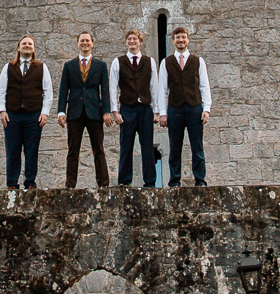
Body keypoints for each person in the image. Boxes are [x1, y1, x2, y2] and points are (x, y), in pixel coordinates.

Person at [154, 26, 212, 186]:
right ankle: (174, 181)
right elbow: (162, 90)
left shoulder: (198, 61)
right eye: (177, 37)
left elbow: (204, 86)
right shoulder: (166, 62)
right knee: (174, 148)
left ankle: (200, 180)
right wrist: (162, 113)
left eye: (183, 37)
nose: (180, 40)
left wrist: (206, 109)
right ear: (173, 41)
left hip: (194, 108)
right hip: (175, 109)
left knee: (197, 147)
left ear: (188, 40)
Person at [56, 30, 114, 188]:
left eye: (87, 41)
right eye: (82, 41)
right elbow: (63, 90)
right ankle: (70, 184)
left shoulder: (100, 65)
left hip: (94, 111)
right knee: (73, 150)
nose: (85, 43)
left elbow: (105, 90)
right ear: (77, 44)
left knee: (98, 149)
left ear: (92, 43)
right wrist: (61, 111)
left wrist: (106, 111)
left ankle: (103, 184)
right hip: (74, 112)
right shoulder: (69, 66)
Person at [0, 35, 52, 189]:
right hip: (12, 115)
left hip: (33, 115)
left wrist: (45, 113)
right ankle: (12, 183)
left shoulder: (41, 68)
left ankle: (30, 182)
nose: (27, 46)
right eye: (24, 44)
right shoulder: (8, 68)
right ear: (18, 48)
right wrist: (2, 111)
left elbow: (48, 92)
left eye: (30, 44)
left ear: (33, 48)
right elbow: (1, 91)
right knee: (12, 149)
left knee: (31, 150)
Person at [111, 28, 158, 187]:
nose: (132, 42)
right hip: (127, 108)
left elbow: (154, 87)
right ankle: (124, 182)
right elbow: (112, 87)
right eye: (129, 39)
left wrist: (156, 111)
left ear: (140, 42)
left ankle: (150, 182)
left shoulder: (149, 61)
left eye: (135, 39)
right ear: (126, 42)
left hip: (145, 108)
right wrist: (115, 111)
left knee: (147, 147)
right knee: (126, 146)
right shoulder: (118, 62)